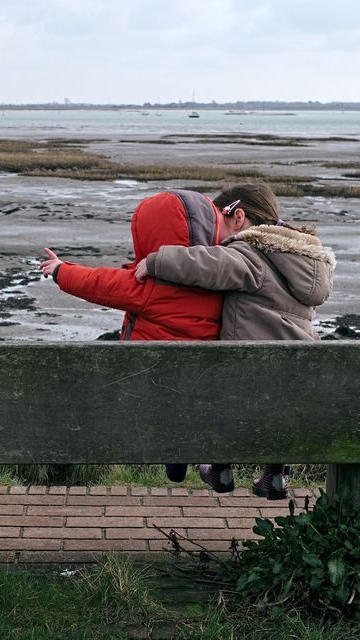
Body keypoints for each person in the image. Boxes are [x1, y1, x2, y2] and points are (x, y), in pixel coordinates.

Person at [134, 182, 336, 499]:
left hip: (247, 377)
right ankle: (274, 475)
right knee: (272, 402)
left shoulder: (249, 254)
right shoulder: (305, 260)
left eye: (219, 222)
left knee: (212, 382)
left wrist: (156, 261)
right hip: (297, 375)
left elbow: (208, 266)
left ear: (238, 216)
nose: (216, 235)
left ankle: (218, 465)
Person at [39, 189, 225, 482]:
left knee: (163, 408)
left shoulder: (149, 285)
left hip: (150, 379)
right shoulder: (220, 279)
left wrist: (61, 270)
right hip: (204, 383)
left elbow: (98, 283)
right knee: (186, 409)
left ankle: (174, 465)